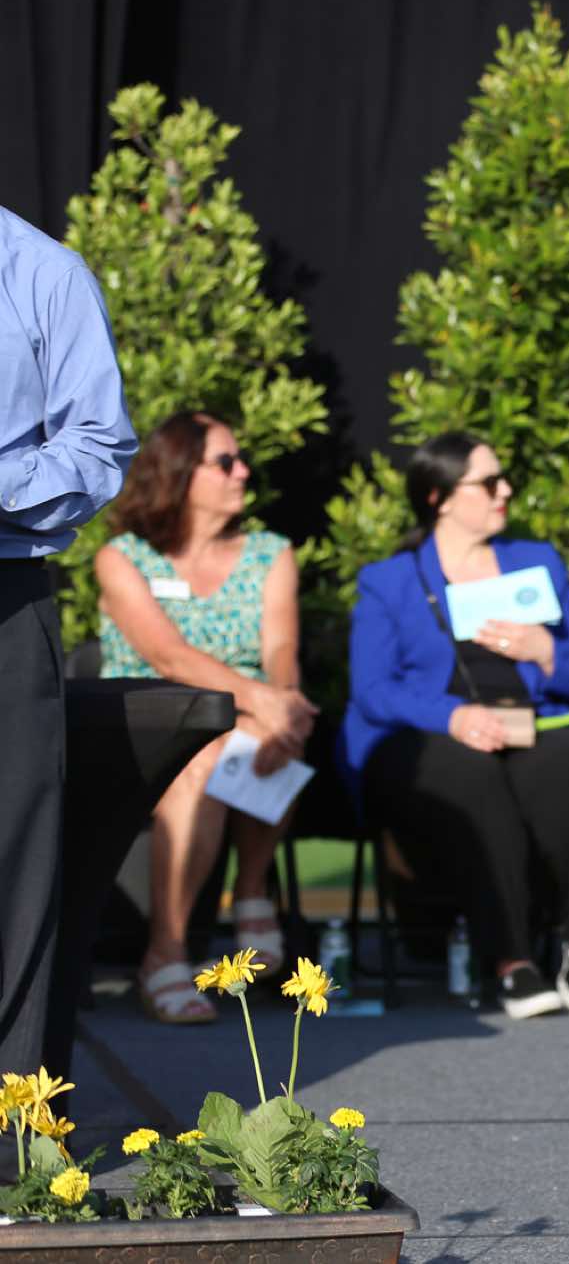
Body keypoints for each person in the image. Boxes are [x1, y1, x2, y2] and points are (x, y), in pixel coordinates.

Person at [340, 432, 569, 1019]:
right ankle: (512, 959)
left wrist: (547, 652)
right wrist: (454, 716)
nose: (505, 490)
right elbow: (372, 690)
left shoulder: (536, 562)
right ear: (439, 498)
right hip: (429, 734)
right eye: (489, 483)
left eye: (503, 479)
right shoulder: (389, 581)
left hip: (530, 722)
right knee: (471, 775)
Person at [95, 412, 317, 1022]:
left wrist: (283, 701)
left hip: (243, 717)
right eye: (225, 461)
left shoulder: (270, 553)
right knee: (205, 753)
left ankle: (250, 888)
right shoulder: (122, 558)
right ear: (179, 472)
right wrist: (262, 700)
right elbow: (168, 655)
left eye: (241, 460)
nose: (243, 471)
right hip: (146, 725)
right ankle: (164, 953)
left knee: (272, 730)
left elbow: (280, 648)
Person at [0, 205, 135, 1076]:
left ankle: (11, 1121)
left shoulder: (43, 272)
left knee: (9, 866)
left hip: (4, 591)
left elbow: (98, 441)